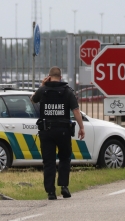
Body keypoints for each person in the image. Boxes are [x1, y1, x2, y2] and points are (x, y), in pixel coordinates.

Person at [31, 66, 85, 200]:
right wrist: (81, 127)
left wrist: (42, 85)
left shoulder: (43, 90)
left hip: (46, 131)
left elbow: (32, 99)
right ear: (61, 77)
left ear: (49, 77)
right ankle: (64, 187)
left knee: (49, 162)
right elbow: (76, 111)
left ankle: (51, 192)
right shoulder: (68, 92)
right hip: (63, 132)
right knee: (64, 159)